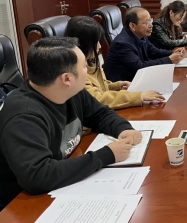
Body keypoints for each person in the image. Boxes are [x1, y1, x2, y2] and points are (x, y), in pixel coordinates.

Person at [0, 37, 143, 211]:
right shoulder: (23, 116)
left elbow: (99, 113)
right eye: (84, 67)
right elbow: (38, 176)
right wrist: (106, 155)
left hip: (64, 183)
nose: (87, 71)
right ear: (67, 78)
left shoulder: (71, 91)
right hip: (24, 207)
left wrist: (122, 128)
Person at [65, 16, 165, 109]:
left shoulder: (90, 61)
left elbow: (99, 87)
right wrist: (139, 96)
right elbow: (97, 99)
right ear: (83, 44)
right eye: (96, 43)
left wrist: (117, 86)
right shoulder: (75, 71)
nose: (99, 46)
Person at [104, 7, 186, 82]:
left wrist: (173, 52)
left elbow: (154, 52)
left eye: (150, 20)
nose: (151, 25)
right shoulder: (122, 44)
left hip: (138, 79)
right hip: (124, 86)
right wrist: (169, 59)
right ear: (132, 26)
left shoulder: (141, 35)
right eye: (146, 22)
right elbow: (140, 67)